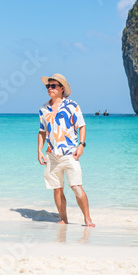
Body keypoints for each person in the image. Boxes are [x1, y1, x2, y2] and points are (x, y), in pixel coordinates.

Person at [37, 73, 95, 227]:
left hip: (70, 153)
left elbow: (81, 126)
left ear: (62, 88)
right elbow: (42, 131)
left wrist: (81, 145)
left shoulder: (72, 106)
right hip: (51, 154)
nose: (49, 88)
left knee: (76, 186)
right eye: (48, 86)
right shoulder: (43, 109)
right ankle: (63, 219)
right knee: (57, 189)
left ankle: (87, 219)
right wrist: (39, 151)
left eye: (53, 86)